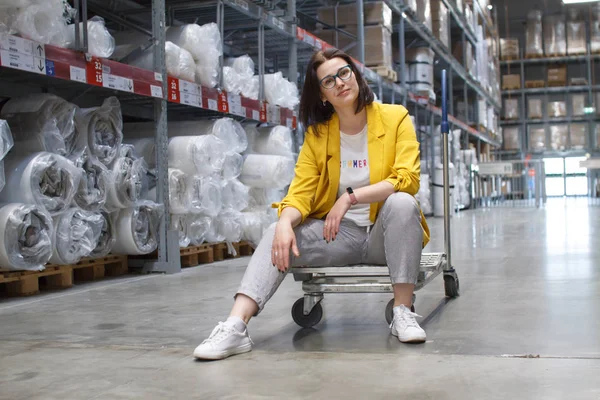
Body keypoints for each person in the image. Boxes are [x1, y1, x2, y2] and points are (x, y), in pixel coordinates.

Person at [193, 48, 430, 361]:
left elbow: (407, 178)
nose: (340, 83)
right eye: (329, 81)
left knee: (401, 203)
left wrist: (351, 197)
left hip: (384, 236)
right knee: (276, 232)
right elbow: (301, 192)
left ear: (355, 75)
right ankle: (235, 326)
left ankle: (402, 311)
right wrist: (283, 223)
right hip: (338, 235)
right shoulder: (319, 135)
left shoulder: (395, 117)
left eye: (344, 73)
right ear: (322, 95)